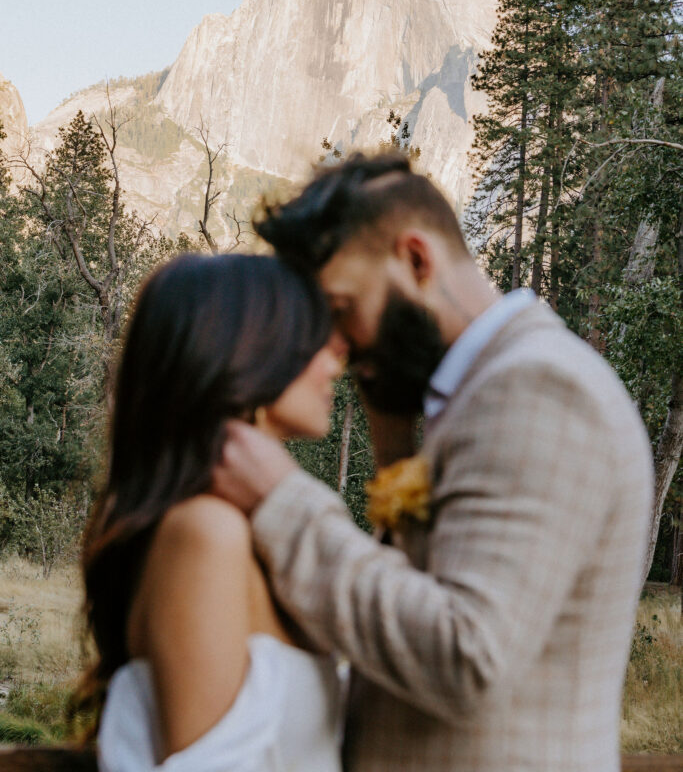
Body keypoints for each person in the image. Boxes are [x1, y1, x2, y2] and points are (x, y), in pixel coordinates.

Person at [214, 151, 654, 772]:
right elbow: (425, 597)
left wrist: (283, 498)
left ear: (416, 260)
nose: (334, 346)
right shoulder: (483, 390)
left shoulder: (536, 389)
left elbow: (465, 657)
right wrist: (395, 447)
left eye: (341, 310)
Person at [80, 252, 345, 772]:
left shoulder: (248, 528)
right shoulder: (206, 530)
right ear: (249, 352)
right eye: (309, 337)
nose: (334, 360)